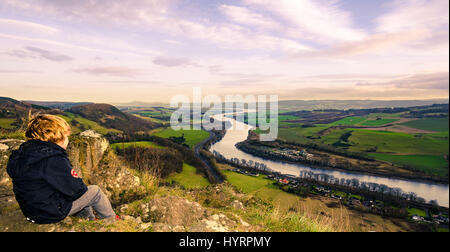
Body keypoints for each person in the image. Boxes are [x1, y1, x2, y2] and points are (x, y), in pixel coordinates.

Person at [7, 114, 118, 224]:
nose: (68, 139)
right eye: (66, 136)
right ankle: (113, 221)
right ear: (58, 137)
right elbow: (76, 190)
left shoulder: (25, 153)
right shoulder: (53, 158)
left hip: (32, 212)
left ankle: (87, 219)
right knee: (95, 192)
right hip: (50, 213)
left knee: (74, 193)